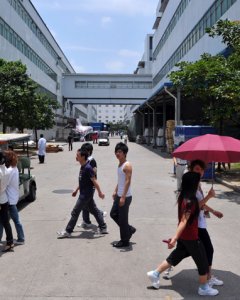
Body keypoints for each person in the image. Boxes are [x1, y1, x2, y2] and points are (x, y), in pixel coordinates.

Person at [147, 172, 219, 296]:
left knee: (177, 256)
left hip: (185, 237)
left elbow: (197, 207)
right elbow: (184, 221)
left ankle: (155, 273)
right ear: (193, 184)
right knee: (203, 262)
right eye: (198, 182)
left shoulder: (183, 197)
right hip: (191, 236)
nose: (199, 184)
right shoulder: (190, 201)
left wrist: (208, 197)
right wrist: (174, 238)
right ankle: (203, 288)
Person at [57, 148, 107, 238]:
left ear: (83, 157)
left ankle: (68, 231)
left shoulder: (88, 168)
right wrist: (76, 190)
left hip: (85, 195)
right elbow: (82, 181)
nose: (76, 157)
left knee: (75, 212)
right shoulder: (82, 166)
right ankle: (103, 227)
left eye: (77, 155)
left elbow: (94, 181)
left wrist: (100, 192)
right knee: (94, 210)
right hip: (84, 194)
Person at [190, 159, 224, 287]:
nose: (200, 172)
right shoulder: (191, 186)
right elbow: (194, 207)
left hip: (201, 223)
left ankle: (158, 271)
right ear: (191, 169)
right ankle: (208, 278)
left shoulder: (197, 184)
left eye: (202, 170)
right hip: (196, 225)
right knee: (208, 250)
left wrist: (213, 211)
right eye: (197, 169)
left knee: (183, 252)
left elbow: (202, 204)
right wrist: (209, 196)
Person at [110, 142, 136, 248]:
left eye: (120, 152)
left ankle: (124, 240)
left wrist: (123, 197)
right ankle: (129, 229)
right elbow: (120, 180)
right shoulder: (120, 164)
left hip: (125, 196)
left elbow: (127, 181)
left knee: (123, 219)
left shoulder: (127, 165)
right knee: (113, 214)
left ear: (125, 153)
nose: (117, 153)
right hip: (119, 195)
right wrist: (115, 191)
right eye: (116, 151)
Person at [77, 142, 106, 229]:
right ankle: (86, 221)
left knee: (86, 205)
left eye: (84, 150)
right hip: (84, 186)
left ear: (89, 151)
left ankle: (98, 215)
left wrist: (98, 191)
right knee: (86, 205)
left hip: (90, 186)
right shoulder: (85, 160)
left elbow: (93, 175)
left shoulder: (91, 161)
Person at [0, 151, 25, 245]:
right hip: (12, 198)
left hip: (9, 199)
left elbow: (4, 184)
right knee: (7, 221)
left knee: (7, 221)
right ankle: (21, 237)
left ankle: (21, 238)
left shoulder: (9, 171)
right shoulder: (15, 169)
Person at [0, 151, 14, 252]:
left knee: (4, 222)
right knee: (6, 222)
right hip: (4, 198)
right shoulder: (6, 170)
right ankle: (10, 242)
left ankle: (9, 242)